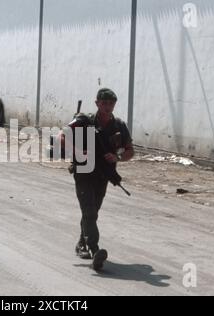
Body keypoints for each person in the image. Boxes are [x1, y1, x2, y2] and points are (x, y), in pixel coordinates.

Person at [70, 88, 135, 271]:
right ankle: (94, 250)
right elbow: (62, 137)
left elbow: (130, 151)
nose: (107, 107)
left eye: (111, 103)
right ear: (97, 103)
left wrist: (118, 158)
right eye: (104, 103)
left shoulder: (119, 126)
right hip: (84, 172)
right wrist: (77, 152)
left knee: (93, 211)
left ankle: (82, 243)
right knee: (89, 211)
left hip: (103, 175)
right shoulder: (84, 121)